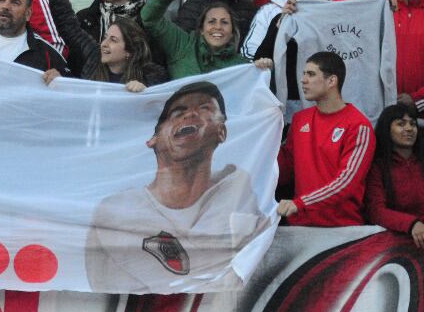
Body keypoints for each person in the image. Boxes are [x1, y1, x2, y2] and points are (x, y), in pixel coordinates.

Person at [85, 81, 271, 293]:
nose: (191, 114)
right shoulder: (118, 210)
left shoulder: (239, 194)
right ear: (153, 139)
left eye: (204, 108)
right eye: (177, 111)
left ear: (222, 132)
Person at [277, 51, 376, 226]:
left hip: (340, 229)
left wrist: (300, 204)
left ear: (331, 81)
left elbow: (346, 183)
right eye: (304, 74)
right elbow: (284, 169)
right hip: (299, 226)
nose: (303, 80)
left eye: (311, 74)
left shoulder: (359, 126)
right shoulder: (300, 119)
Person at [142, 0, 255, 79]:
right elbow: (149, 18)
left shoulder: (241, 66)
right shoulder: (182, 45)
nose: (218, 27)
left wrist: (262, 66)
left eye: (224, 22)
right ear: (201, 29)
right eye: (211, 21)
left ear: (232, 31)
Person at [365, 103, 424, 245]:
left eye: (413, 124)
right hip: (395, 243)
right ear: (387, 129)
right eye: (401, 124)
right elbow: (375, 211)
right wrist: (412, 224)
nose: (409, 129)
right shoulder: (377, 167)